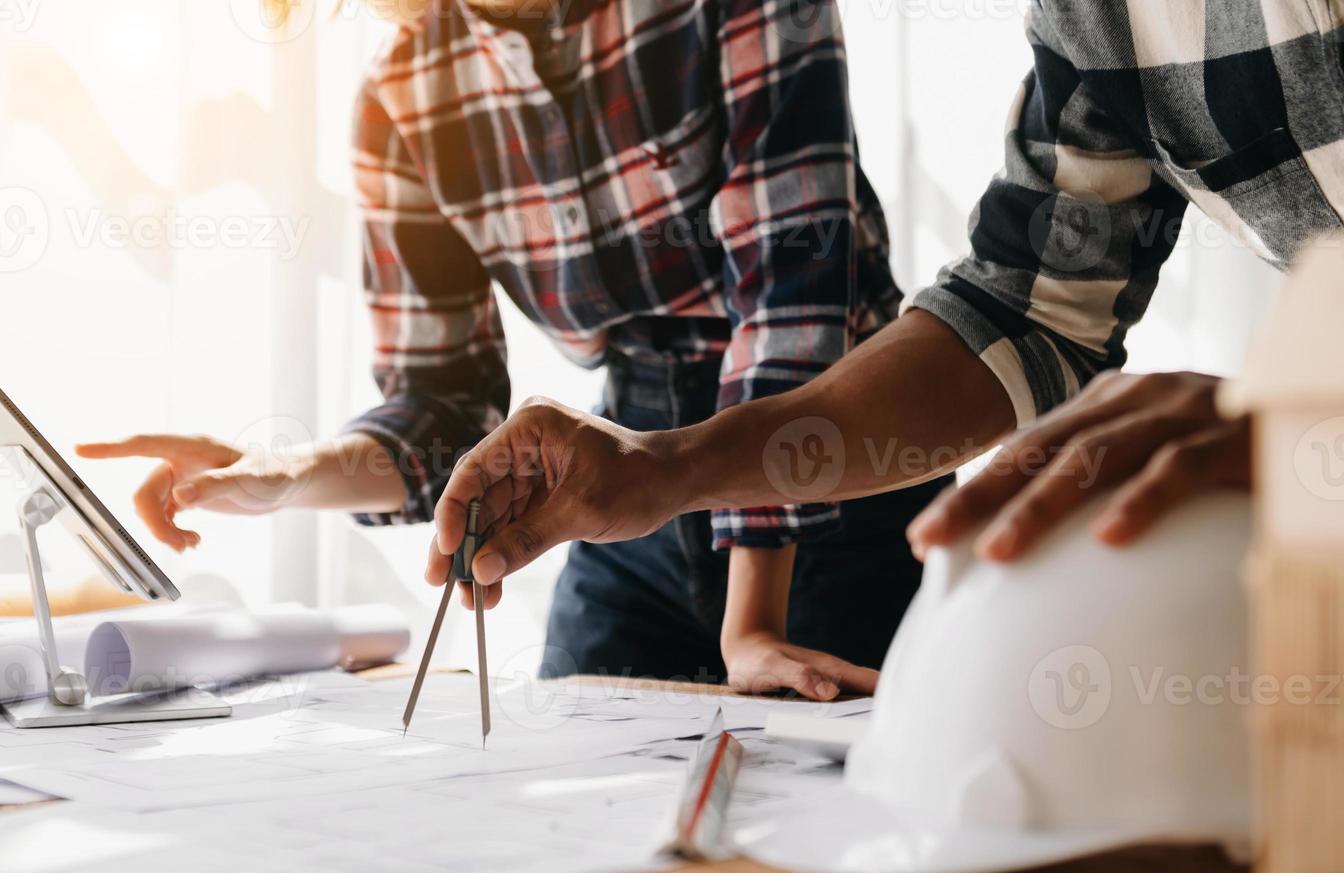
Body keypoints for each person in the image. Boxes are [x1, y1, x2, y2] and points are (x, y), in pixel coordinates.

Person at [427, 0, 1342, 696]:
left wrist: (1306, 420)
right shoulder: (1100, 20)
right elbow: (1022, 309)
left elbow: (796, 280)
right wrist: (669, 468)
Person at [76, 0, 936, 700]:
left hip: (835, 465)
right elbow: (440, 403)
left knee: (837, 824)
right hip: (618, 489)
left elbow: (794, 304)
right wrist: (280, 474)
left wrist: (752, 625)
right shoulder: (402, 88)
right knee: (581, 812)